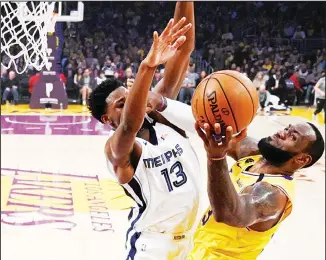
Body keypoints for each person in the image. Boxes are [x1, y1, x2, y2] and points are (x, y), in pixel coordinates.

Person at [145, 91, 324, 260]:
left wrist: (216, 157)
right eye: (287, 128)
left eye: (292, 137)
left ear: (302, 159)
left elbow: (228, 213)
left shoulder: (274, 195)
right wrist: (162, 103)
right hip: (196, 250)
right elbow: (211, 130)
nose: (281, 132)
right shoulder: (254, 155)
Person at [88, 3, 197, 259]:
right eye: (122, 104)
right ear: (106, 118)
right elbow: (129, 125)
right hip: (153, 247)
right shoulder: (117, 148)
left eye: (132, 97)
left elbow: (183, 51)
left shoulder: (161, 116)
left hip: (192, 240)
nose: (134, 102)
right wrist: (147, 68)